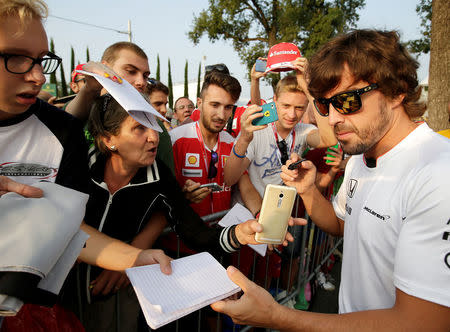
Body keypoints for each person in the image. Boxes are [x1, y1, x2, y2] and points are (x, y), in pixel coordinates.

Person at [211, 29, 450, 330]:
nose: (334, 118)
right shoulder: (361, 160)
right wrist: (309, 192)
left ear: (396, 92)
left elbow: (421, 323)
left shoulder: (439, 173)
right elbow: (341, 226)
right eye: (325, 106)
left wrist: (277, 316)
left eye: (348, 101)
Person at [0, 1, 171, 330]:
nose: (36, 76)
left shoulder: (63, 132)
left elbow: (68, 228)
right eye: (17, 58)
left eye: (40, 60)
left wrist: (134, 257)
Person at [223, 57, 336, 197]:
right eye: (286, 106)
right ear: (275, 100)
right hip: (250, 214)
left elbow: (330, 139)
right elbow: (229, 179)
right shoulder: (258, 130)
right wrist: (243, 140)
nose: (292, 114)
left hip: (283, 213)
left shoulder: (303, 131)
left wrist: (309, 91)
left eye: (299, 108)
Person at [65, 41, 175, 174]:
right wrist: (90, 88)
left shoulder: (154, 127)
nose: (141, 82)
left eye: (145, 76)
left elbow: (167, 184)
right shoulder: (81, 108)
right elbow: (62, 124)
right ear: (105, 68)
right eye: (131, 71)